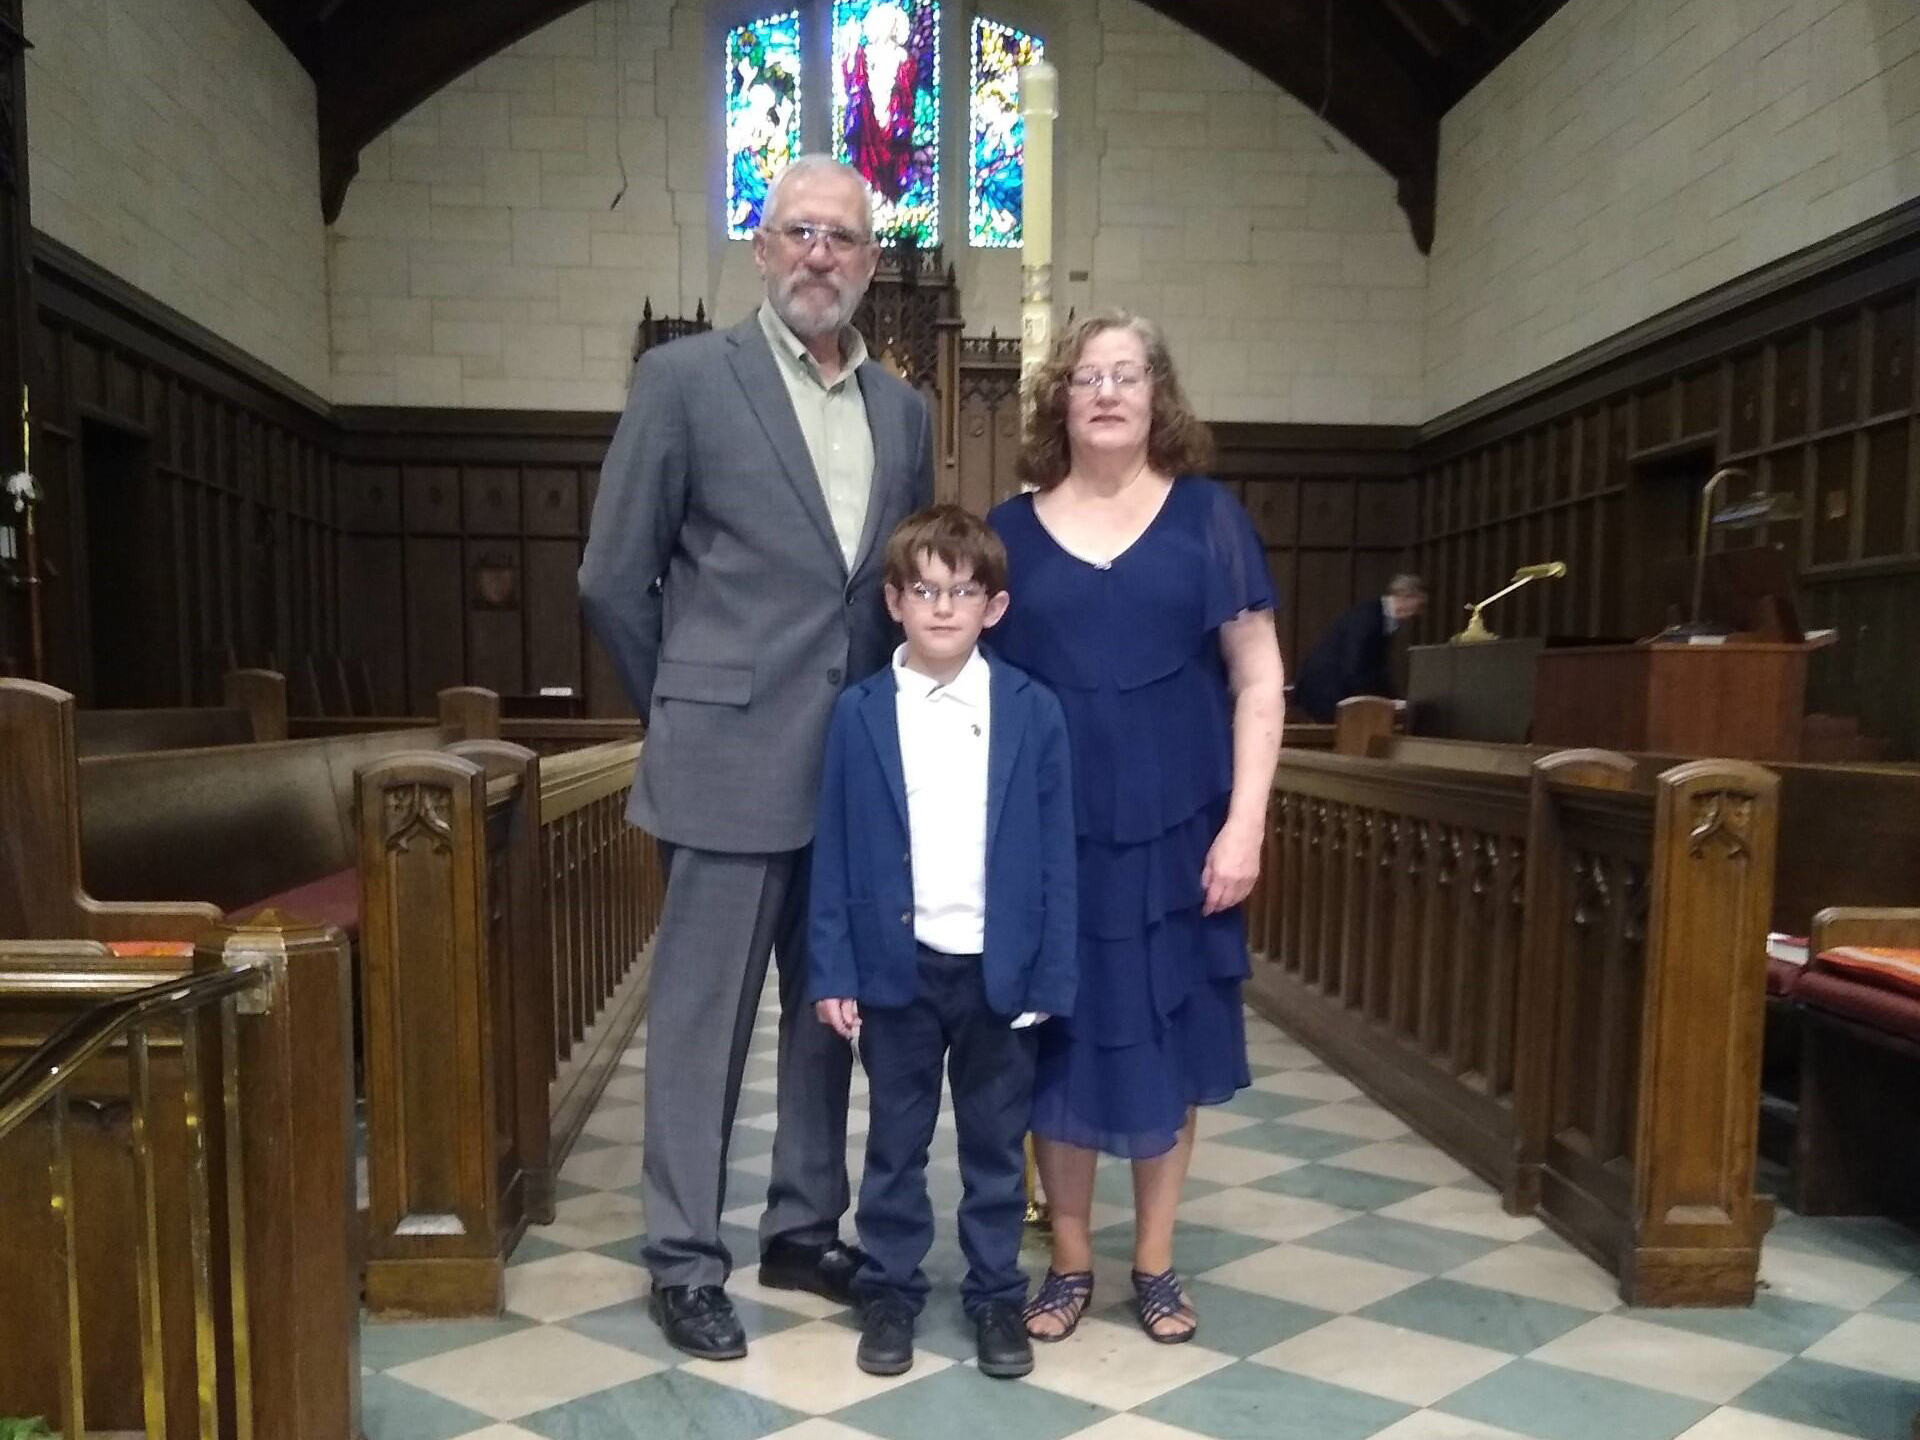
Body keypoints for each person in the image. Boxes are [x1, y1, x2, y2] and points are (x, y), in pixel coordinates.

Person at [578, 154, 935, 1360]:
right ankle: (685, 1256)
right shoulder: (685, 380)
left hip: (851, 768)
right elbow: (612, 576)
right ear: (763, 246)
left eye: (842, 238)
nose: (820, 256)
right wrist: (681, 701)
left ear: (871, 262)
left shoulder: (905, 411)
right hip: (725, 755)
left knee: (830, 1014)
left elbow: (899, 583)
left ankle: (800, 1224)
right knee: (702, 1023)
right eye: (798, 233)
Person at [986, 312, 1285, 1345]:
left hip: (1180, 830)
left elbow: (1259, 679)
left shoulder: (1209, 519)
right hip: (1052, 840)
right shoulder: (1010, 535)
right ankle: (1069, 1260)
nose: (1107, 392)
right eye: (1086, 377)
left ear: (1159, 397)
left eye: (1128, 375)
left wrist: (1245, 824)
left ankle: (1153, 1260)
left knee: (1166, 1031)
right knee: (1058, 1044)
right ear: (1057, 401)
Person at [808, 505, 1077, 1381]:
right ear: (894, 600)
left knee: (998, 1149)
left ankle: (996, 1295)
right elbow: (837, 847)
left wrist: (1050, 969)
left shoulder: (1032, 712)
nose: (943, 608)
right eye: (924, 589)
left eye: (963, 592)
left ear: (993, 609)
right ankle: (889, 1290)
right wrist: (833, 969)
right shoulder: (859, 713)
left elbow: (1056, 854)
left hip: (999, 971)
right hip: (900, 970)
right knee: (895, 1143)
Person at [1289, 575, 1427, 722]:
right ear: (1404, 595)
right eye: (1418, 606)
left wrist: (1394, 699)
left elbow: (1377, 669)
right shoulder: (1370, 617)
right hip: (1325, 690)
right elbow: (1355, 667)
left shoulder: (1380, 615)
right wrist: (1385, 701)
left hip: (1334, 688)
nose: (1418, 613)